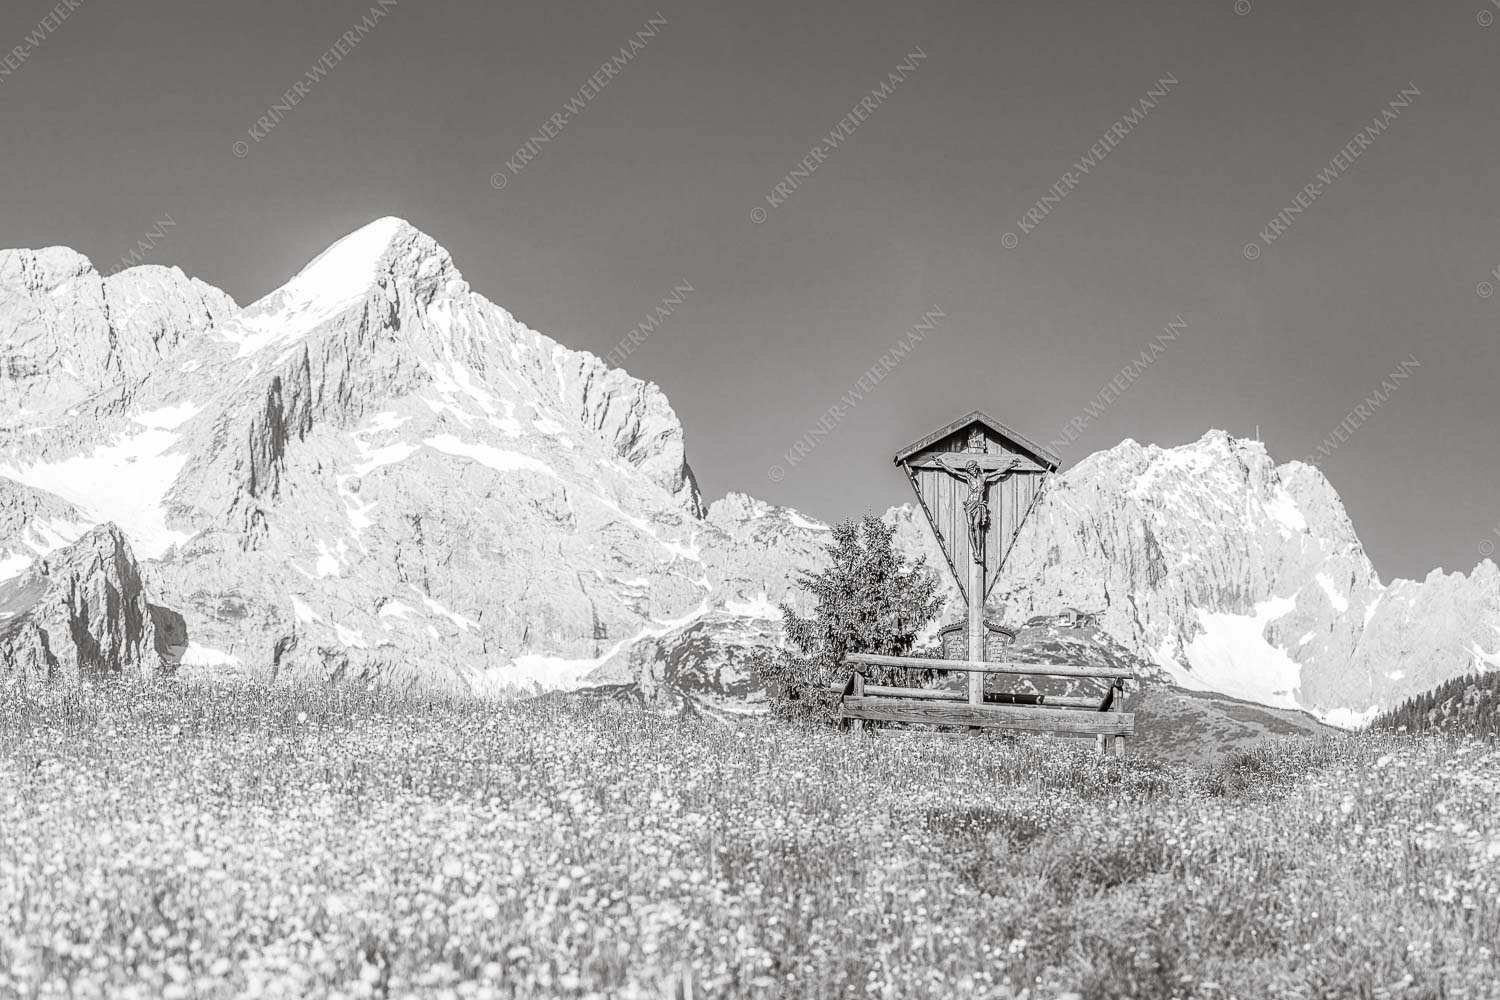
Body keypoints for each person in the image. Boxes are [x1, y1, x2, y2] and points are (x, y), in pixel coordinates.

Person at [933, 453, 1018, 562]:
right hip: (970, 503)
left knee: (976, 525)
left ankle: (978, 551)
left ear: (975, 468)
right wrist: (941, 464)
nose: (970, 471)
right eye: (968, 470)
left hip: (979, 504)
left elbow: (998, 472)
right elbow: (953, 471)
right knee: (970, 526)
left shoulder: (984, 477)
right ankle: (975, 551)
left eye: (971, 469)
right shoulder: (968, 477)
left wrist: (1010, 465)